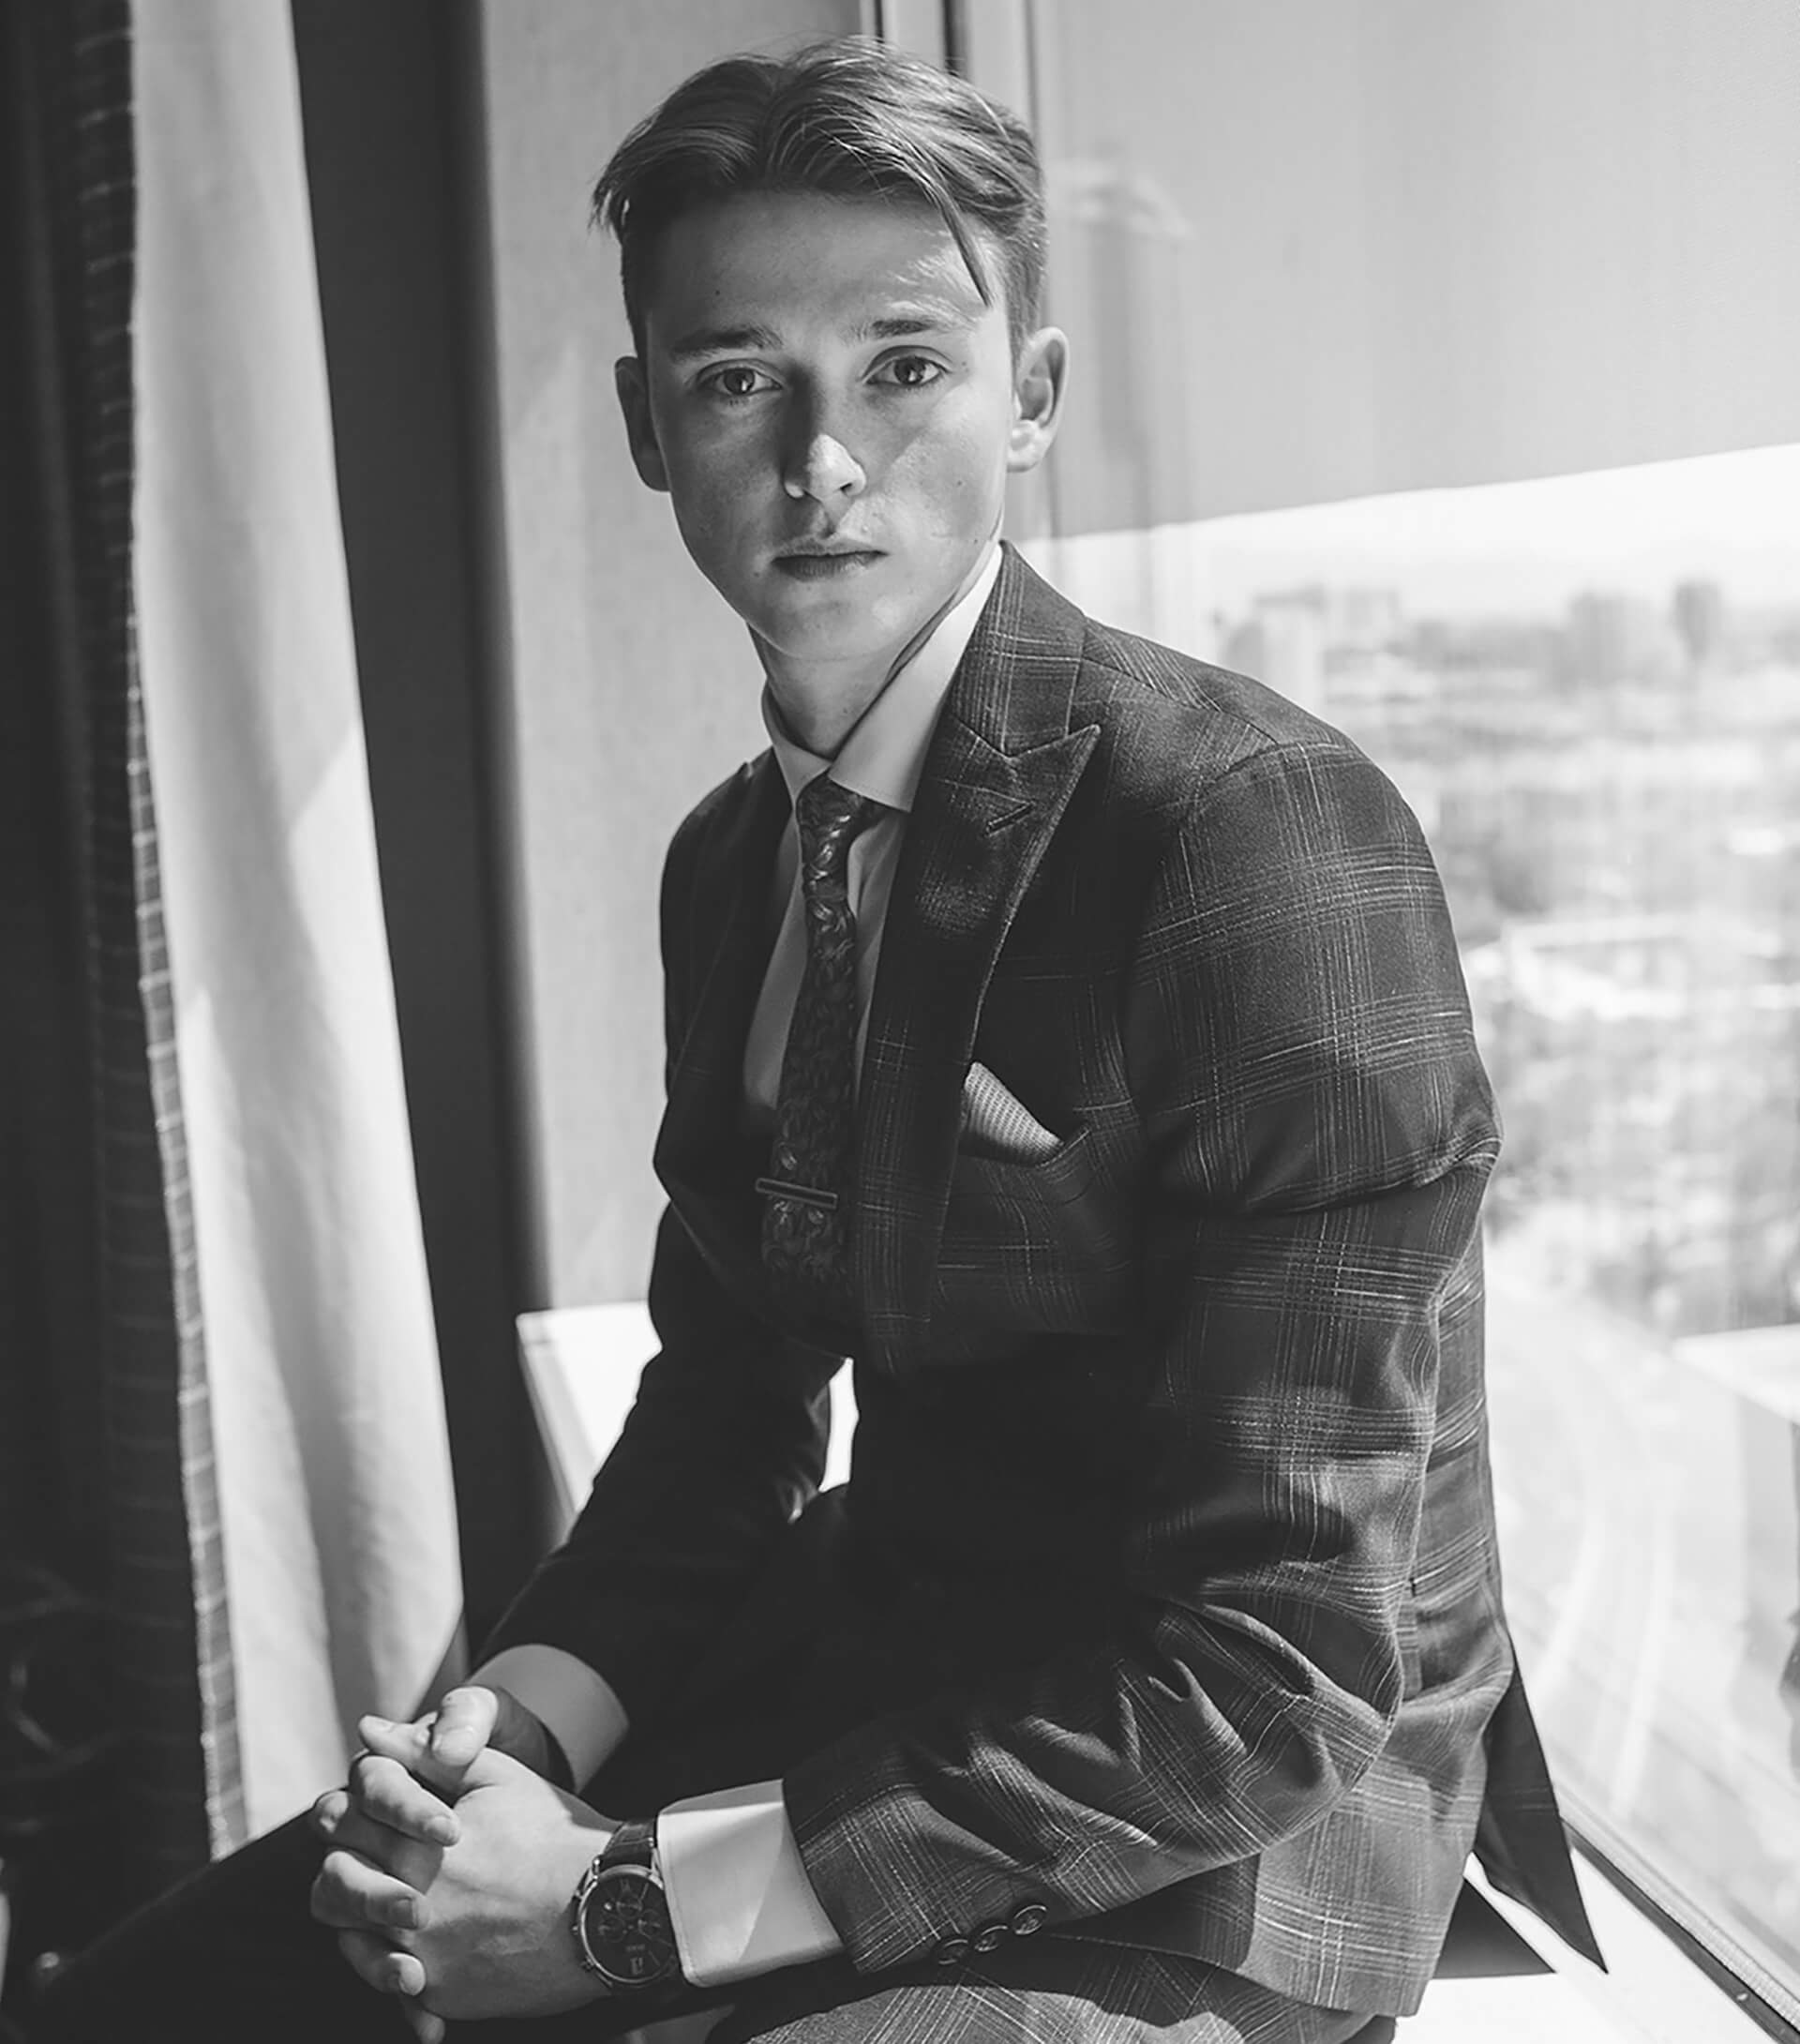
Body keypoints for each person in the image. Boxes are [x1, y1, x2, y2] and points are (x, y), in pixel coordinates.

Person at [33, 36, 1601, 2044]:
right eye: (737, 379)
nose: (823, 460)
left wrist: (623, 1904)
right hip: (881, 1662)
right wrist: (506, 1734)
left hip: (1212, 1836)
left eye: (904, 365)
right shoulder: (730, 866)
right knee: (156, 1999)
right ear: (644, 422)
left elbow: (1281, 1666)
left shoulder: (1260, 834)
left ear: (1032, 395)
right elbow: (727, 1404)